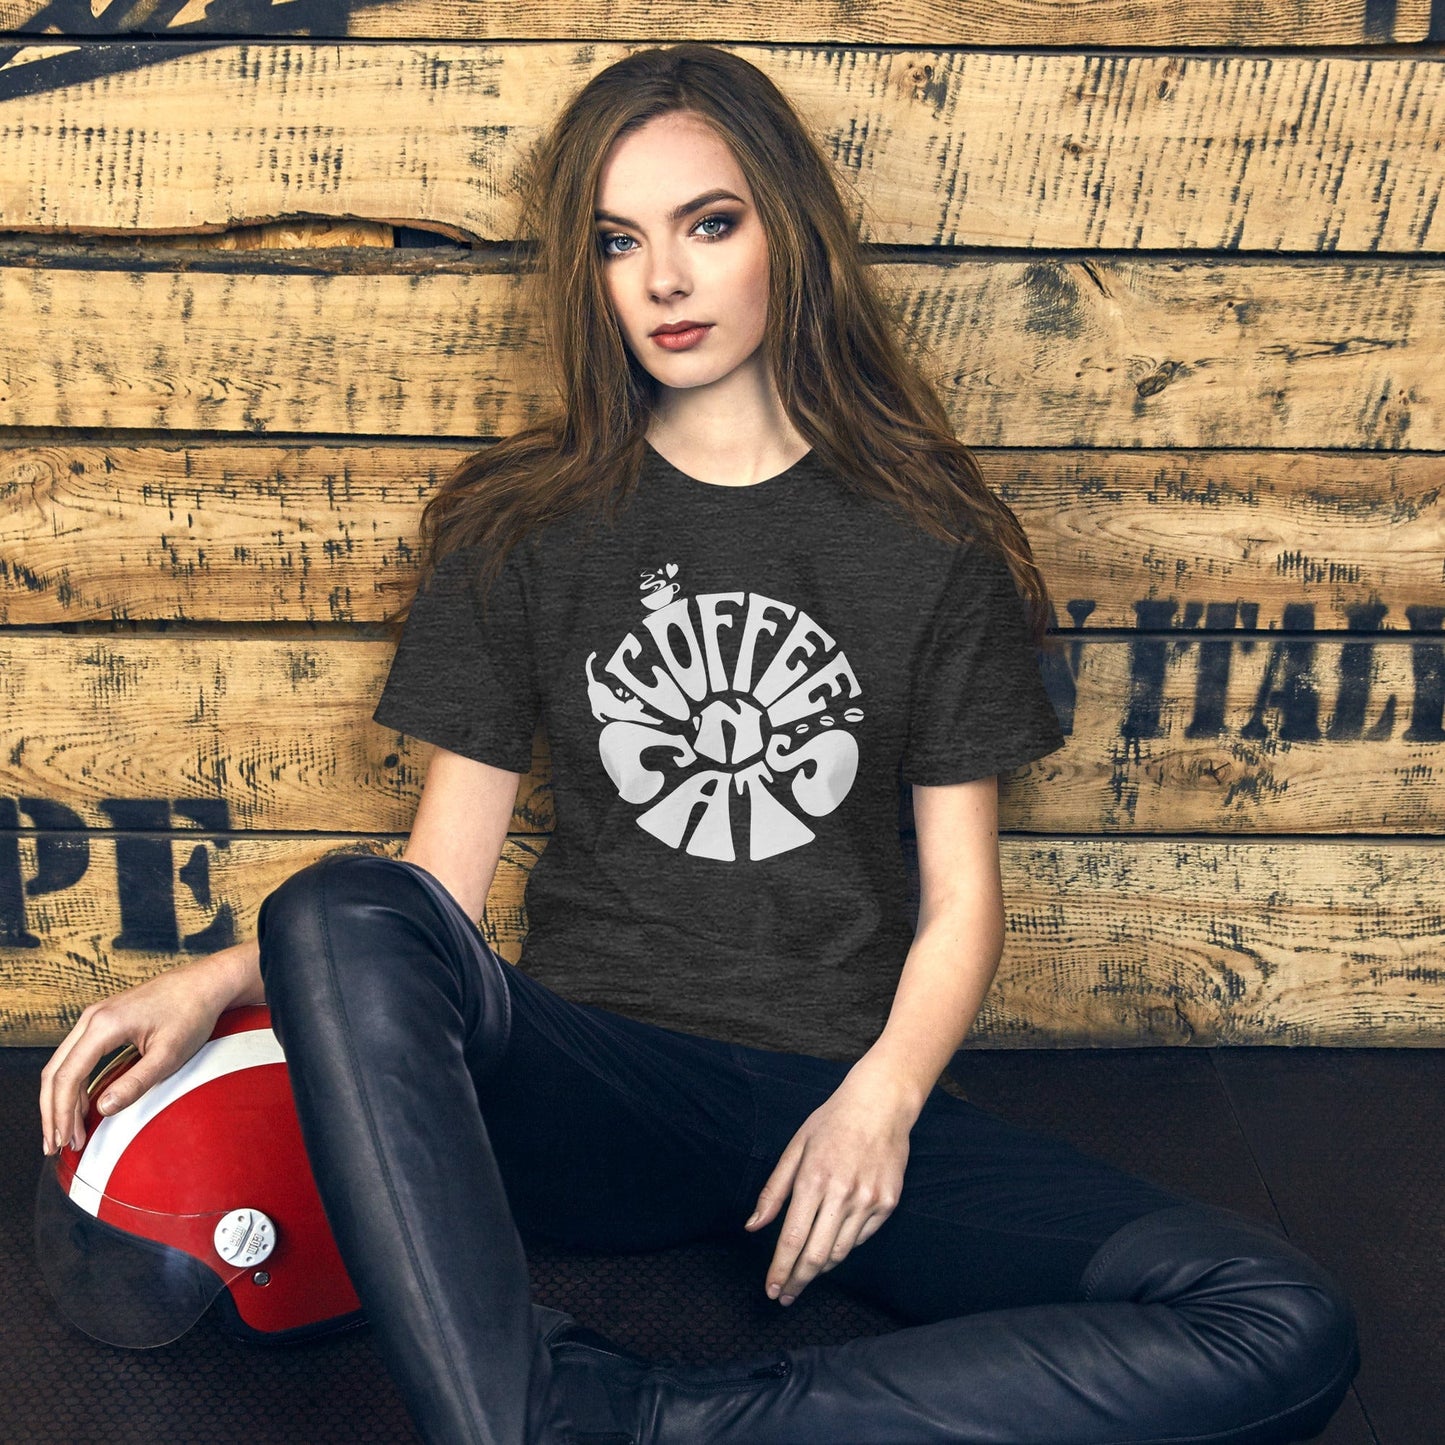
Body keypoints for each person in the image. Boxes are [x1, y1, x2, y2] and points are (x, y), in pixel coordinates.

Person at [39, 41, 1359, 1445]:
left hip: (835, 1098)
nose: (663, 279)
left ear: (785, 232)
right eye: (619, 241)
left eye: (707, 224)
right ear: (588, 272)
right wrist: (234, 979)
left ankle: (659, 1419)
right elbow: (429, 896)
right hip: (591, 1084)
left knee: (1279, 1320)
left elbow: (961, 898)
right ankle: (518, 1421)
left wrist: (879, 1105)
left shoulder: (926, 542)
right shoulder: (523, 527)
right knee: (333, 900)